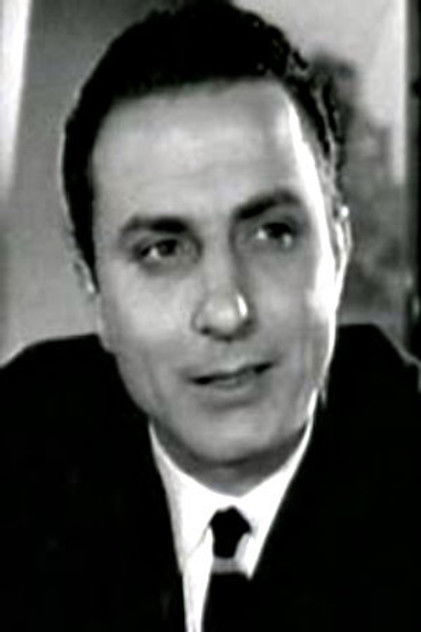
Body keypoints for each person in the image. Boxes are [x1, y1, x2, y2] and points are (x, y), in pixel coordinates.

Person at [1, 3, 419, 631]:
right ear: (94, 289)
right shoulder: (18, 457)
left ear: (338, 250)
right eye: (163, 250)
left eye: (273, 233)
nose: (228, 311)